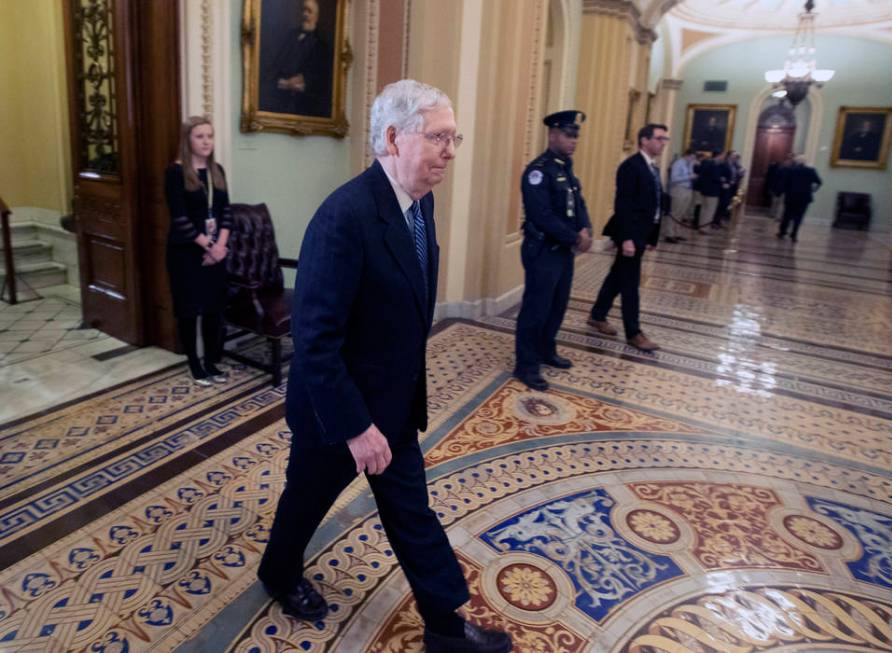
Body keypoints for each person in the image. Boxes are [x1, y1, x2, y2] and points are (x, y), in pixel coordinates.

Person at [257, 80, 512, 653]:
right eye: (440, 137)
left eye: (455, 137)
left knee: (411, 512)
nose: (451, 150)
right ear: (393, 138)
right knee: (305, 501)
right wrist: (353, 426)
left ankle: (445, 629)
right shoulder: (343, 217)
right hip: (336, 410)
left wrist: (389, 409)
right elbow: (315, 338)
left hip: (390, 404)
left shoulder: (420, 203)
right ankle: (278, 572)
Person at [513, 110, 592, 392]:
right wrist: (575, 237)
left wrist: (587, 230)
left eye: (576, 136)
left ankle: (547, 350)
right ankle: (526, 364)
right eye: (569, 135)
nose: (573, 141)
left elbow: (578, 203)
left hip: (563, 251)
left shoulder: (565, 168)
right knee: (537, 308)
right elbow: (542, 214)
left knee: (557, 305)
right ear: (553, 135)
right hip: (543, 250)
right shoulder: (538, 171)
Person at [586, 124, 668, 353]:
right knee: (630, 284)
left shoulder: (652, 167)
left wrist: (652, 237)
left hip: (642, 233)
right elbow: (623, 206)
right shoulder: (630, 167)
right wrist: (627, 239)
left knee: (617, 276)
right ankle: (634, 333)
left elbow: (655, 205)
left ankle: (597, 315)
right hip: (631, 234)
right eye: (660, 138)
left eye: (665, 139)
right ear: (644, 140)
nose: (663, 143)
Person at [164, 116, 232, 386]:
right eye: (200, 136)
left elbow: (225, 211)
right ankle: (194, 363)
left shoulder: (218, 171)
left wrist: (221, 246)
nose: (206, 141)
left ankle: (212, 361)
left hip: (215, 251)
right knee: (190, 310)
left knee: (214, 308)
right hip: (186, 253)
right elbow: (180, 218)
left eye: (210, 136)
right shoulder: (175, 172)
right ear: (187, 140)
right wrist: (210, 246)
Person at [260, 0, 331, 117]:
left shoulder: (321, 44)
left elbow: (321, 78)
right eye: (304, 10)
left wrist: (303, 80)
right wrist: (281, 81)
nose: (305, 14)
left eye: (309, 11)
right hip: (282, 93)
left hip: (306, 100)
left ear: (316, 17)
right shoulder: (290, 36)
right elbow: (277, 63)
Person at [778, 154, 822, 242]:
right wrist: (813, 190)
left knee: (787, 215)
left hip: (791, 196)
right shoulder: (811, 171)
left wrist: (781, 192)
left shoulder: (791, 170)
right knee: (799, 216)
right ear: (805, 162)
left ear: (796, 161)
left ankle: (782, 232)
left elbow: (785, 183)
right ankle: (794, 234)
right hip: (804, 197)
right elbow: (819, 182)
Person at [667, 149, 697, 243]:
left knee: (682, 213)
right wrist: (689, 177)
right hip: (678, 189)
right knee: (675, 212)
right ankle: (669, 234)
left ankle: (677, 233)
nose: (693, 159)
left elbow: (690, 174)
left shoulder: (689, 164)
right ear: (687, 155)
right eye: (692, 157)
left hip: (688, 190)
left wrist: (692, 175)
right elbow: (674, 178)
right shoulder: (678, 164)